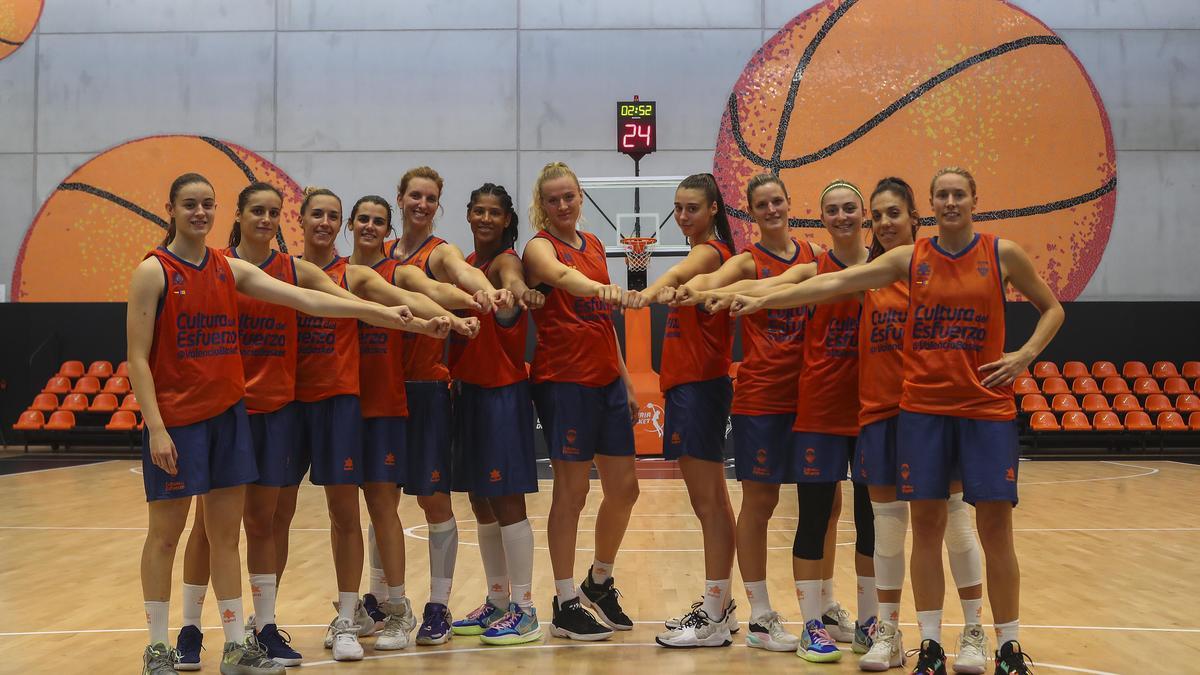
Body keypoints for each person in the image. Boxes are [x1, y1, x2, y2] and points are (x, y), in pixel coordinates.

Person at [731, 168, 1063, 675]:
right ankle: (900, 632)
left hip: (970, 410)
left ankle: (988, 636)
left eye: (958, 194)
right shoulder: (894, 266)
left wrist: (1025, 356)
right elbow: (826, 282)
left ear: (927, 211)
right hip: (905, 413)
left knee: (973, 528)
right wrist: (756, 298)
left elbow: (1051, 309)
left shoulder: (986, 255)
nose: (885, 222)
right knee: (901, 529)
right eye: (879, 214)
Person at [131, 174, 411, 675]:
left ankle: (241, 643)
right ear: (171, 208)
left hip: (234, 417)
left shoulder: (229, 268)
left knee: (233, 534)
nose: (199, 212)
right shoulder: (153, 271)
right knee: (176, 534)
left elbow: (313, 300)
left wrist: (391, 315)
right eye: (189, 205)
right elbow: (136, 357)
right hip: (180, 421)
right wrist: (155, 427)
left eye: (205, 204)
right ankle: (165, 643)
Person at [298, 188, 476, 661]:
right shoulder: (317, 275)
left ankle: (399, 607)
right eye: (362, 219)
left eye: (379, 221)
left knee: (384, 507)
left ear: (387, 228)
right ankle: (356, 609)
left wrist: (455, 317)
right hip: (336, 404)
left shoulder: (382, 273)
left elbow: (421, 295)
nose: (370, 227)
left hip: (385, 403)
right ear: (350, 226)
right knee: (343, 515)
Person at [670, 173, 818, 654]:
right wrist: (689, 290)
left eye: (777, 201)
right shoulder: (743, 261)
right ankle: (760, 615)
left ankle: (823, 607)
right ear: (750, 213)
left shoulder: (814, 255)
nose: (771, 209)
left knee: (826, 503)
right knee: (759, 505)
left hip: (814, 396)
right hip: (762, 395)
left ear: (789, 204)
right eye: (761, 204)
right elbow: (710, 278)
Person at [845, 177, 988, 673]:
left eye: (893, 214)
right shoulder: (866, 275)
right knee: (887, 531)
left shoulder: (935, 269)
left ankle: (973, 630)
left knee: (953, 523)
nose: (884, 223)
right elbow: (811, 282)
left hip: (932, 411)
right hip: (880, 413)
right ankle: (888, 631)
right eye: (877, 216)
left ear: (914, 219)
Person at [376, 166, 514, 646]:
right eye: (414, 195)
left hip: (426, 388)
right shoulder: (382, 255)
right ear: (399, 197)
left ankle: (437, 605)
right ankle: (380, 601)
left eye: (431, 198)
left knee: (433, 501)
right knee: (380, 499)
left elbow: (460, 274)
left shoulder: (441, 252)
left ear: (438, 205)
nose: (421, 204)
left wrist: (482, 292)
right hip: (377, 387)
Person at [521, 161, 640, 642]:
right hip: (564, 381)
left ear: (580, 197)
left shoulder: (592, 245)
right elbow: (562, 280)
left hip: (606, 380)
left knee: (626, 489)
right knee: (572, 492)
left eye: (570, 196)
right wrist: (605, 290)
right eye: (554, 199)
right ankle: (565, 600)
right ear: (542, 205)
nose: (563, 205)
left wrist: (627, 381)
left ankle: (599, 581)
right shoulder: (539, 247)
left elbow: (602, 321)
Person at [625, 174, 739, 648]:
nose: (682, 216)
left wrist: (643, 294)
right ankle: (722, 606)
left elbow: (673, 276)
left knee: (708, 502)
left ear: (713, 209)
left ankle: (714, 611)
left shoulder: (709, 254)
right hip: (688, 388)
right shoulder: (702, 253)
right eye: (678, 207)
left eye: (692, 207)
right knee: (711, 500)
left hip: (700, 387)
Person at [447, 183, 545, 645]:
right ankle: (498, 600)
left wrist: (517, 294)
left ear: (507, 220)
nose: (485, 218)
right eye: (478, 211)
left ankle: (525, 609)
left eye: (494, 213)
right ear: (468, 215)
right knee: (480, 502)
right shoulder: (464, 267)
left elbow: (513, 280)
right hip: (468, 393)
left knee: (506, 501)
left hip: (501, 394)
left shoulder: (505, 261)